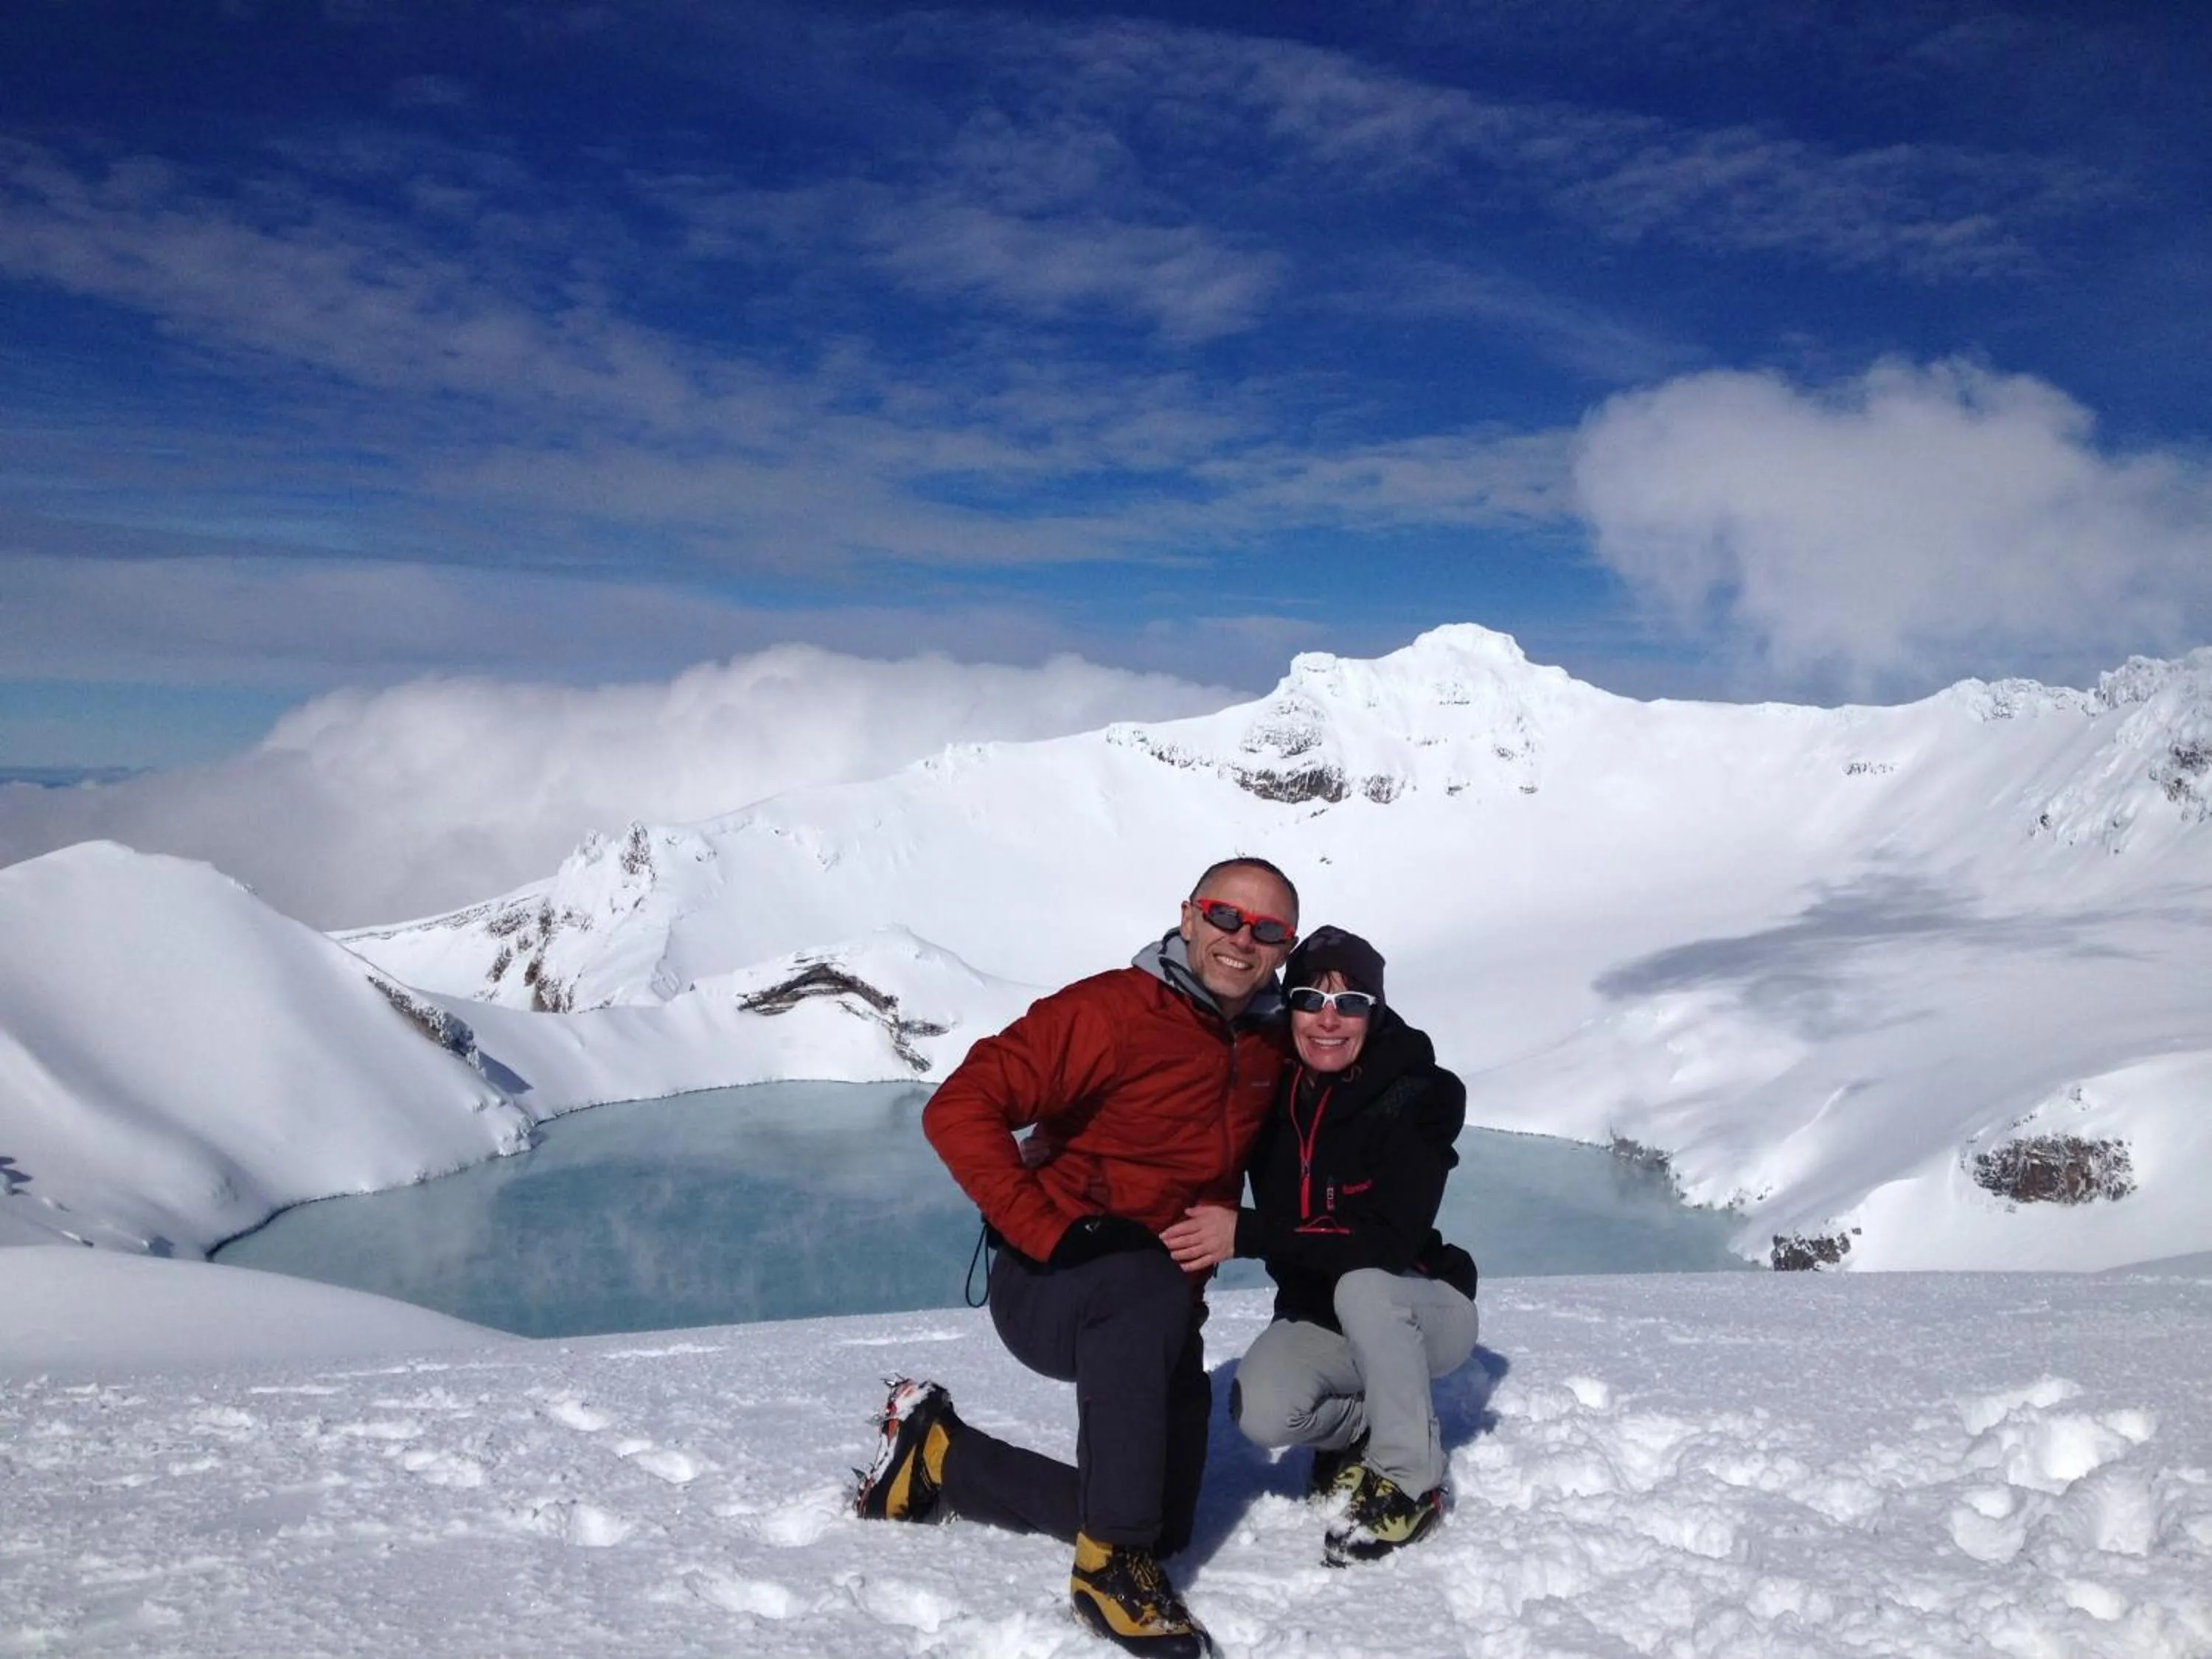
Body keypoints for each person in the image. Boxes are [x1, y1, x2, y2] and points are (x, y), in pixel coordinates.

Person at [852, 858, 1299, 1658]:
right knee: (1127, 1521)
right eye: (1225, 916)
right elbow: (961, 1108)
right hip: (1052, 1283)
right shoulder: (1110, 1012)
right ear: (1189, 917)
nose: (1242, 940)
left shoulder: (1267, 1042)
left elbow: (1352, 1063)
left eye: (1268, 931)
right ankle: (1106, 1572)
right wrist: (1049, 1232)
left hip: (1162, 1312)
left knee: (1162, 1524)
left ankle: (941, 1453)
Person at [1161, 924, 1478, 1566]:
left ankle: (1411, 1479)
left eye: (1351, 1003)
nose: (1329, 1020)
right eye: (1311, 998)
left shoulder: (1418, 1095)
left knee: (1364, 1282)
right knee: (1262, 1411)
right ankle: (1372, 1428)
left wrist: (1244, 1232)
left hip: (1422, 1305)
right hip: (1323, 1310)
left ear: (1375, 1012)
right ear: (1290, 1009)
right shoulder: (1272, 1093)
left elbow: (1387, 1242)